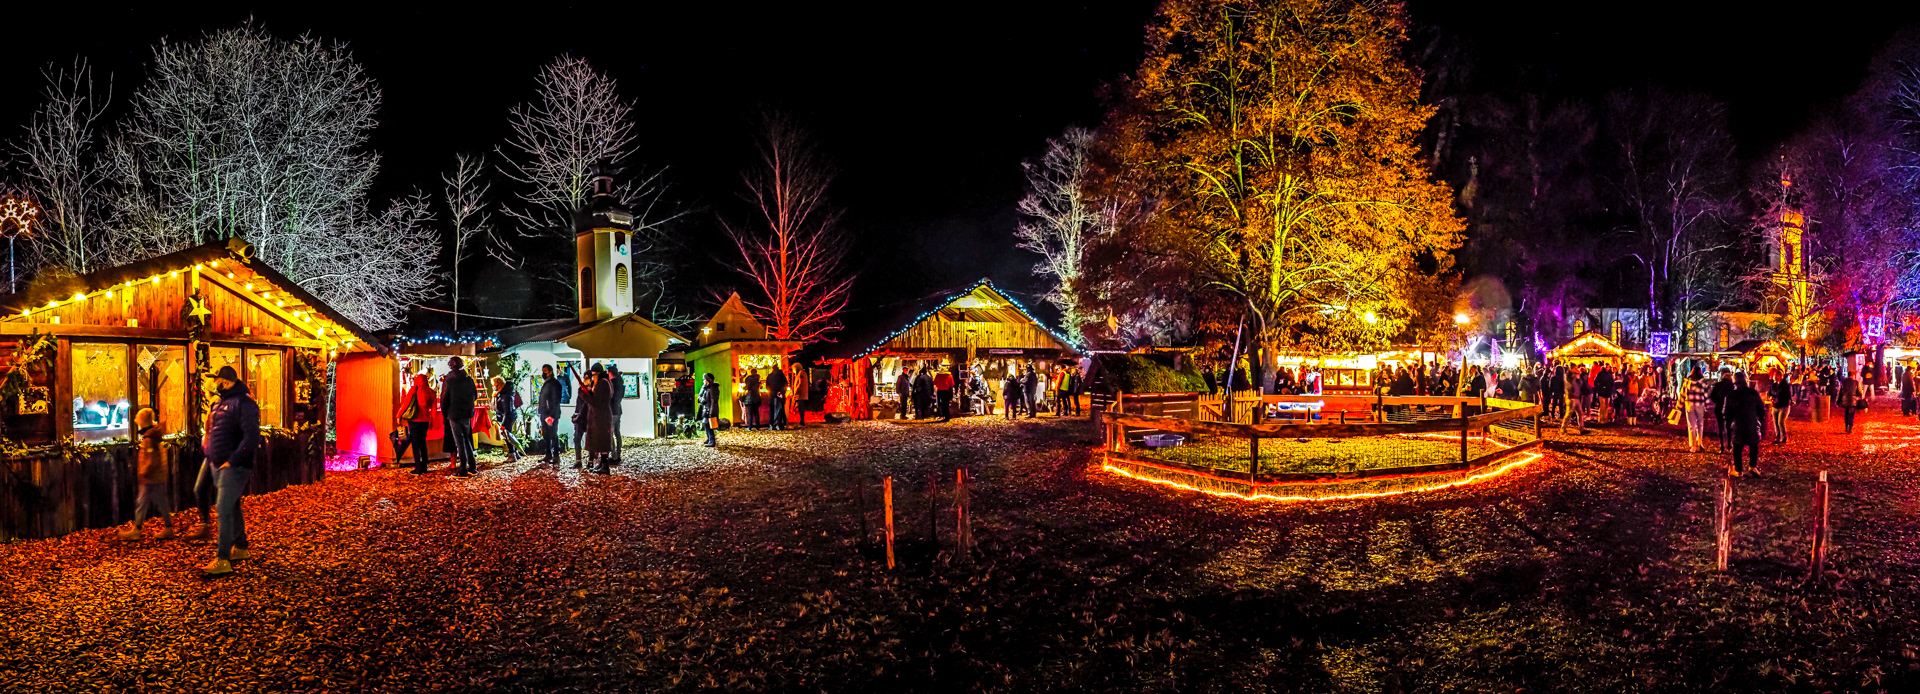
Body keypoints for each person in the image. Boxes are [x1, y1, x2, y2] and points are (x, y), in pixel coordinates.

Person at [200, 364, 260, 576]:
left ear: (224, 382)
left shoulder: (245, 404)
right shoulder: (220, 402)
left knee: (223, 509)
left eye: (216, 381)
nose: (213, 384)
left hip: (234, 466)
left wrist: (233, 460)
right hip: (219, 463)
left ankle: (222, 558)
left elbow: (252, 438)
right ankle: (241, 547)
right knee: (232, 506)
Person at [119, 408, 175, 541]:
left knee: (142, 502)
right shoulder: (152, 434)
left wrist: (144, 472)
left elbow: (150, 458)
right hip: (156, 476)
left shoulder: (149, 437)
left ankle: (137, 530)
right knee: (160, 503)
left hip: (151, 477)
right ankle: (168, 528)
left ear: (142, 421)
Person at [442, 356, 479, 477]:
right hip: (467, 413)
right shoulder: (468, 379)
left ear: (450, 365)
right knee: (467, 439)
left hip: (454, 413)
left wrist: (445, 413)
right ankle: (472, 467)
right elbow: (475, 395)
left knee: (459, 442)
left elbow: (444, 399)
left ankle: (463, 469)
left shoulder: (449, 379)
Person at [1726, 372, 1766, 476]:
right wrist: (1761, 421)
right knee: (1753, 445)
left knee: (1737, 447)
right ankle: (1752, 466)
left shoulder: (1731, 395)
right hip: (1752, 423)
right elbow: (1761, 409)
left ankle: (1738, 470)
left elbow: (1727, 414)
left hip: (1738, 424)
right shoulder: (1753, 393)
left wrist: (1728, 431)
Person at [398, 372, 437, 474]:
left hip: (414, 420)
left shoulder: (414, 390)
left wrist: (399, 415)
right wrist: (432, 421)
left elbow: (406, 404)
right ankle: (424, 467)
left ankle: (418, 467)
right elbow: (434, 410)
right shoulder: (431, 392)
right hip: (425, 421)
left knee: (415, 444)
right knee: (423, 444)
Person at [583, 363, 615, 474]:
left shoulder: (602, 384)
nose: (592, 378)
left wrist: (584, 394)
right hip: (600, 416)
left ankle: (605, 465)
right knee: (601, 441)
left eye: (593, 375)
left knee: (602, 441)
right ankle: (602, 464)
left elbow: (596, 401)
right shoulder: (605, 382)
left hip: (601, 417)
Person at [490, 376, 523, 463]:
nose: (493, 386)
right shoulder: (503, 392)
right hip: (509, 416)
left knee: (507, 436)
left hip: (508, 417)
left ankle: (512, 455)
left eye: (493, 384)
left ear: (498, 384)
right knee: (509, 435)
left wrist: (503, 424)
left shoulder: (505, 395)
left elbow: (507, 411)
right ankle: (515, 453)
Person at [537, 364, 563, 465]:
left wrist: (552, 415)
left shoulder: (554, 384)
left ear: (550, 371)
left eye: (545, 371)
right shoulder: (547, 383)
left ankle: (556, 455)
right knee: (546, 435)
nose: (543, 373)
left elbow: (556, 401)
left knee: (553, 434)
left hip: (550, 414)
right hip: (544, 413)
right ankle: (548, 454)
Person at [1684, 366, 1711, 453]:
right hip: (1700, 404)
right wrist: (1707, 405)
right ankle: (1700, 442)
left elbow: (1682, 394)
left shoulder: (1687, 382)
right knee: (1700, 424)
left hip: (1689, 404)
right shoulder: (1703, 382)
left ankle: (1693, 446)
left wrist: (1679, 406)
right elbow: (1706, 394)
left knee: (1691, 426)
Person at [1708, 370, 1735, 452]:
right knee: (1729, 427)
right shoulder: (1732, 386)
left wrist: (1717, 401)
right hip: (1729, 408)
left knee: (1720, 426)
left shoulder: (1718, 385)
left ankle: (1722, 445)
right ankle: (1729, 444)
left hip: (1719, 407)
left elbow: (1712, 396)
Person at [1767, 368, 1793, 444]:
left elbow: (1788, 396)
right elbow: (1770, 392)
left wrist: (1779, 399)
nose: (1775, 377)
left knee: (1780, 422)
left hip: (1783, 406)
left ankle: (1783, 438)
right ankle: (1778, 437)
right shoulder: (1774, 385)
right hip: (1775, 406)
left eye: (1776, 375)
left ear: (1780, 376)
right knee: (1775, 422)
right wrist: (1771, 397)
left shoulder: (1786, 385)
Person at [606, 363, 623, 463]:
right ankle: (618, 453)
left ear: (610, 373)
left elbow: (612, 398)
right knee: (617, 432)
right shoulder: (620, 383)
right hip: (618, 410)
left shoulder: (612, 384)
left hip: (612, 411)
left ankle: (614, 456)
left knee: (610, 433)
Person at [698, 372, 720, 447]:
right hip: (705, 409)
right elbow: (700, 396)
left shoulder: (713, 389)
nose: (703, 381)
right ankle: (709, 438)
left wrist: (711, 412)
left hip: (709, 409)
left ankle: (712, 440)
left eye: (704, 379)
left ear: (708, 380)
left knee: (709, 425)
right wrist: (703, 388)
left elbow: (714, 401)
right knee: (705, 425)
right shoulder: (706, 388)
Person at [1561, 366, 1585, 434]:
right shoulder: (1568, 375)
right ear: (1572, 368)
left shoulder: (1575, 376)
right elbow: (1569, 384)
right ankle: (1563, 428)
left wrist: (1579, 378)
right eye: (1575, 368)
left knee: (1580, 413)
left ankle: (1581, 428)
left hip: (1576, 397)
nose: (1577, 369)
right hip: (1571, 397)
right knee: (1569, 413)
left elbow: (1580, 384)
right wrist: (1575, 376)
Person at [767, 365, 789, 431]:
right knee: (779, 410)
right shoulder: (782, 375)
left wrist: (771, 390)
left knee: (772, 410)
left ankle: (771, 424)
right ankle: (779, 424)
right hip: (780, 395)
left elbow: (767, 386)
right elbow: (786, 384)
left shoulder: (770, 376)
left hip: (772, 395)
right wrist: (782, 391)